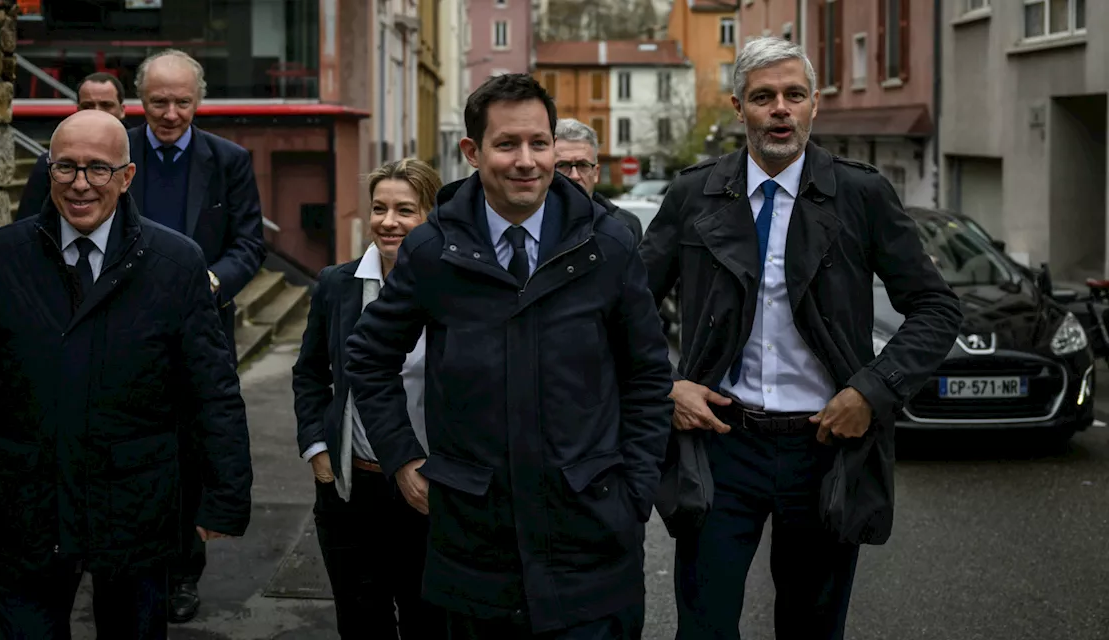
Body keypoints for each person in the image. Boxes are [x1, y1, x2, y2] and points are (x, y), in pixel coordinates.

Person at [639, 37, 963, 639]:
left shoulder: (860, 194)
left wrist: (871, 391)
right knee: (703, 628)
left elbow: (936, 307)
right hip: (721, 446)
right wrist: (668, 385)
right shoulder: (694, 194)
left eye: (794, 95)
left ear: (815, 105)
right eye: (763, 97)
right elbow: (627, 309)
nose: (780, 109)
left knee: (812, 628)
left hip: (825, 448)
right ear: (739, 108)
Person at [343, 73, 675, 639]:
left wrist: (634, 491)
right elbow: (369, 357)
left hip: (591, 536)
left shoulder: (608, 246)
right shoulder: (433, 250)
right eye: (507, 145)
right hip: (474, 543)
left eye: (539, 143)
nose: (527, 161)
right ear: (472, 152)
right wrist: (402, 458)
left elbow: (647, 376)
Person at [0, 109, 254, 639]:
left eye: (98, 169)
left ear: (127, 176)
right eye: (65, 168)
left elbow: (212, 391)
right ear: (47, 171)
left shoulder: (176, 263)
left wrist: (226, 495)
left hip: (136, 509)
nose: (80, 184)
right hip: (29, 505)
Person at [126, 48, 267, 622]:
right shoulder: (117, 153)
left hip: (199, 331)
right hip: (123, 330)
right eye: (159, 101)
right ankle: (126, 562)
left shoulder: (228, 160)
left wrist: (207, 281)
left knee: (189, 454)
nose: (170, 113)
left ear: (199, 101)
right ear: (141, 101)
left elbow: (250, 245)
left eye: (182, 101)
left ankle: (183, 576)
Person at [292, 158, 445, 639]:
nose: (388, 222)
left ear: (431, 217)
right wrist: (317, 448)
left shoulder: (453, 289)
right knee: (361, 623)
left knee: (430, 623)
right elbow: (310, 373)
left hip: (430, 490)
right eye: (379, 208)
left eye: (406, 210)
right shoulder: (338, 284)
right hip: (352, 487)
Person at [16, 72, 128, 221]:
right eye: (88, 106)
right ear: (78, 110)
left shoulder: (143, 152)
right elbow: (28, 223)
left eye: (106, 105)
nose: (97, 112)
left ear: (122, 110)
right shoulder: (51, 162)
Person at [553, 117, 643, 245]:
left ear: (596, 173)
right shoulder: (529, 224)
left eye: (583, 165)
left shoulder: (626, 225)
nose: (574, 176)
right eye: (563, 165)